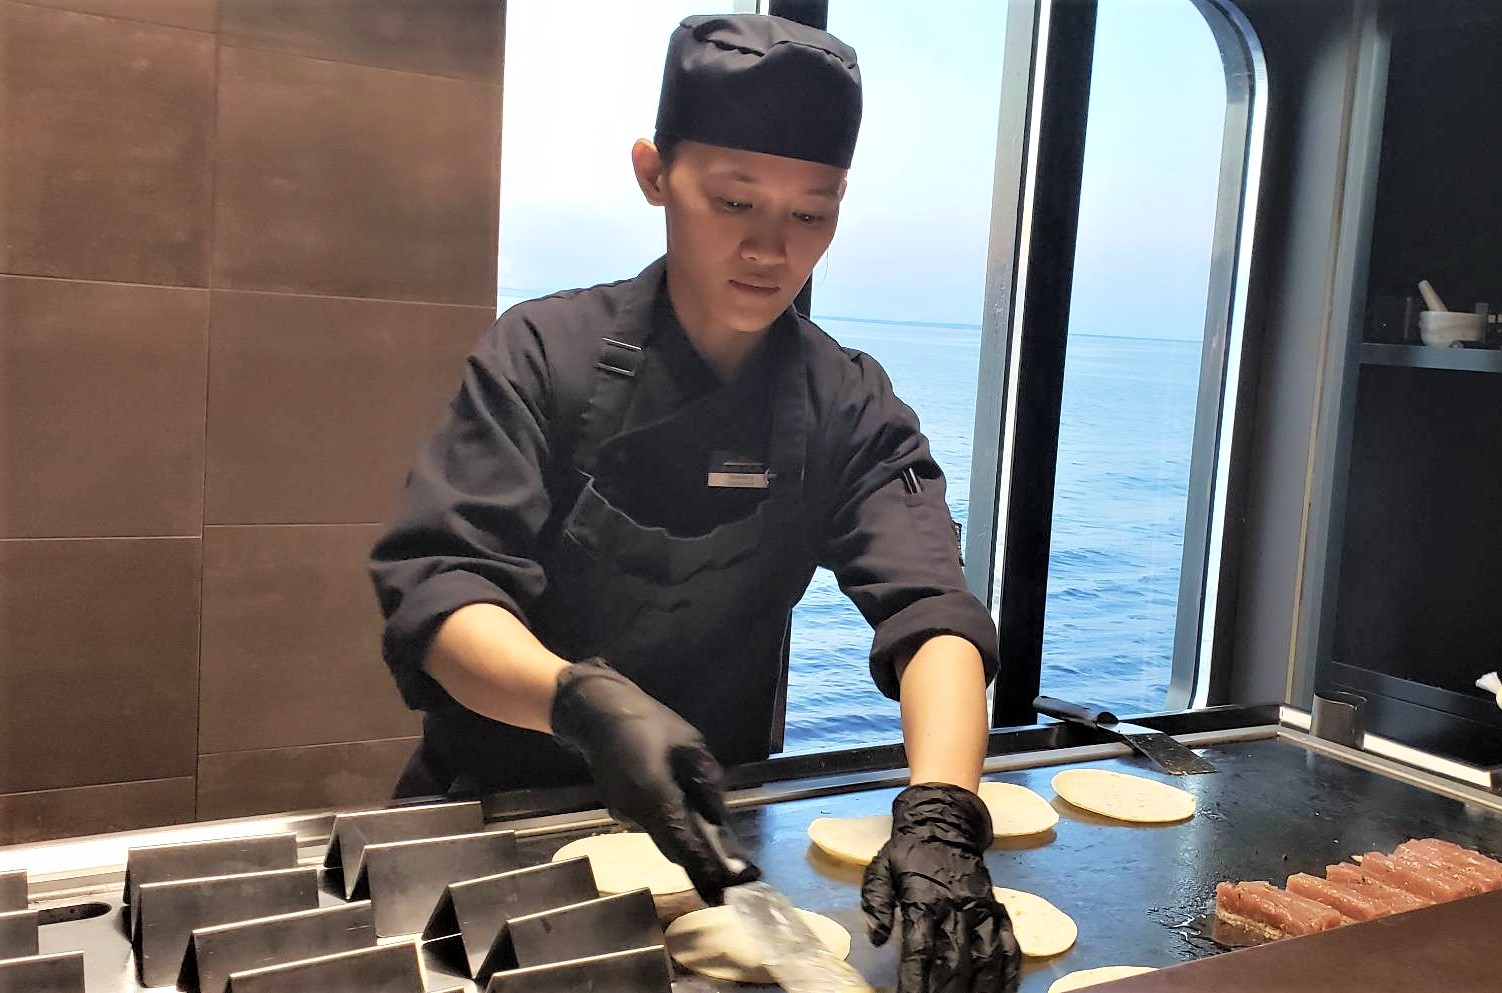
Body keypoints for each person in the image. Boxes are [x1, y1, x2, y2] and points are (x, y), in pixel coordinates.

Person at [368, 13, 1020, 993]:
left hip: (706, 848)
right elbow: (442, 590)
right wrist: (578, 703)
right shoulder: (544, 354)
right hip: (491, 821)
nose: (771, 248)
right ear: (652, 173)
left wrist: (938, 812)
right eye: (733, 201)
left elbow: (931, 610)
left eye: (812, 212)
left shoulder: (844, 401)